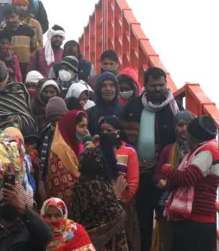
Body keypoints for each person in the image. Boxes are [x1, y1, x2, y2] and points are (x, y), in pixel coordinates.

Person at [120, 67, 181, 251]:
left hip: (166, 177)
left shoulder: (175, 108)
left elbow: (186, 136)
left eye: (162, 85)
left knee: (167, 222)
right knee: (143, 221)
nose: (158, 89)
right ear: (145, 86)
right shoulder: (133, 107)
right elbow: (122, 140)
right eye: (153, 85)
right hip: (141, 176)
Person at [158, 115, 219, 251]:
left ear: (194, 137)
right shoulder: (201, 151)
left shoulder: (208, 151)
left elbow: (187, 178)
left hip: (197, 223)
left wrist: (166, 169)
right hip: (192, 221)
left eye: (188, 135)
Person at [70, 144, 128, 251]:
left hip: (84, 243)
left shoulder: (76, 187)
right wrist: (117, 194)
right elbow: (118, 217)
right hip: (107, 245)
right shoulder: (100, 186)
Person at [152, 110, 195, 251]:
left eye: (188, 125)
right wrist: (160, 181)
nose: (184, 129)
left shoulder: (199, 150)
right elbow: (157, 175)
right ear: (175, 128)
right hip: (170, 204)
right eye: (180, 125)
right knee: (170, 242)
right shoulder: (168, 150)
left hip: (193, 203)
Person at [99, 116, 140, 250]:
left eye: (109, 130)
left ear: (118, 132)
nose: (105, 134)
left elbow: (133, 182)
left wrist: (121, 201)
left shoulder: (129, 151)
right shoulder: (95, 150)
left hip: (124, 205)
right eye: (102, 130)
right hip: (102, 204)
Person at [0, 182, 52, 250]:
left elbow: (46, 236)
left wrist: (25, 209)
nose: (9, 205)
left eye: (13, 203)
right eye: (6, 202)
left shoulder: (30, 234)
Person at [46, 110, 87, 208]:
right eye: (82, 126)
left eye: (86, 126)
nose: (85, 130)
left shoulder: (79, 145)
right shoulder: (59, 149)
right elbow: (62, 186)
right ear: (71, 126)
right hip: (64, 205)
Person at [37, 96, 68, 202]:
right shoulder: (45, 134)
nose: (56, 124)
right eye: (52, 120)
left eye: (59, 119)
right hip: (48, 180)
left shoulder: (71, 133)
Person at [2, 5, 39, 79]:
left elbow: (35, 49)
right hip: (8, 67)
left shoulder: (29, 29)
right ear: (3, 18)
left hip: (27, 67)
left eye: (13, 17)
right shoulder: (2, 31)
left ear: (18, 15)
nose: (10, 20)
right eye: (7, 18)